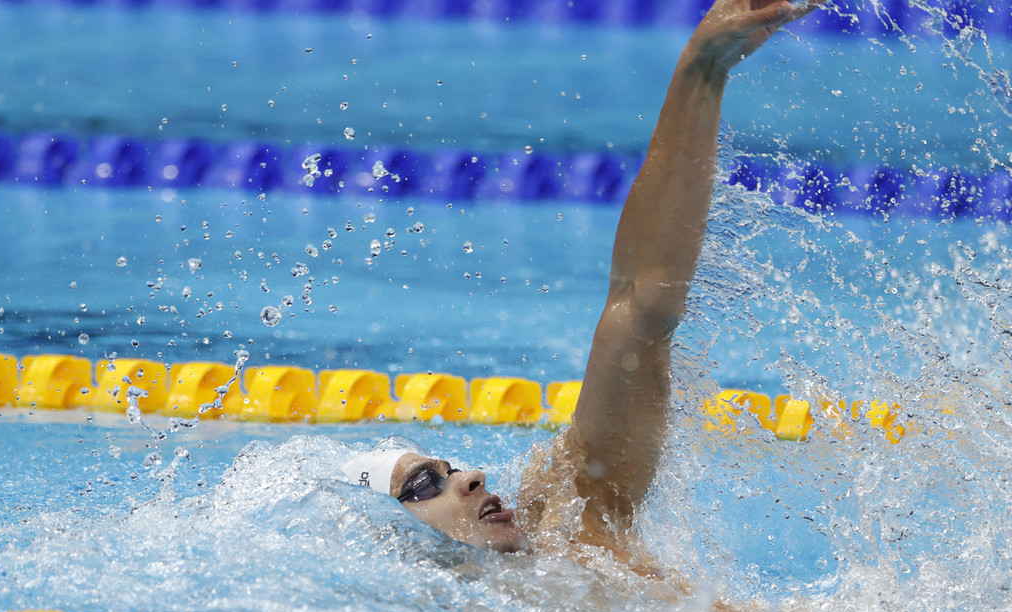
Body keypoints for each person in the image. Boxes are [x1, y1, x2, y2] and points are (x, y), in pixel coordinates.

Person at [343, 0, 815, 580]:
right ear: (390, 538)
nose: (470, 478)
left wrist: (702, 68)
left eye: (446, 468)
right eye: (424, 485)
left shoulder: (570, 527)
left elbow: (641, 307)